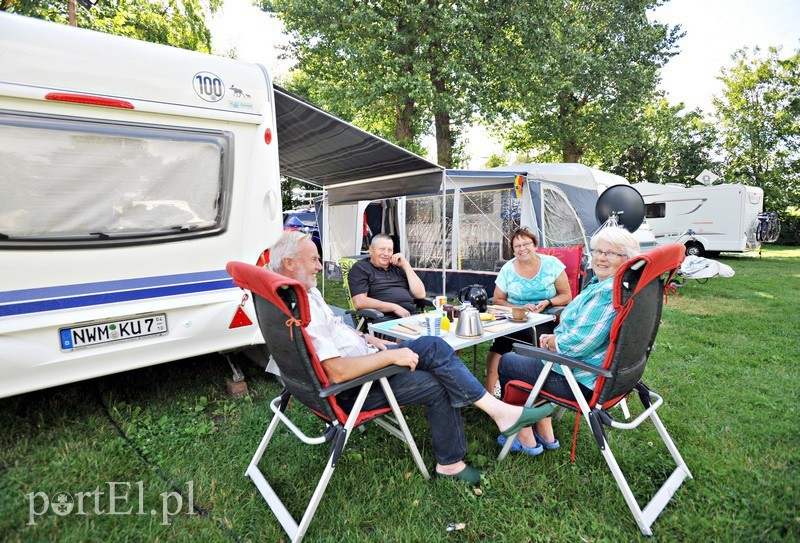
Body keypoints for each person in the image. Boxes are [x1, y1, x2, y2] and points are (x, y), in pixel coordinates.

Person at [270, 230, 553, 483]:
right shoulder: (301, 304)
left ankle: (500, 412)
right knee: (440, 380)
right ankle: (452, 463)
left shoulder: (297, 295)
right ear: (290, 263)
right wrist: (392, 357)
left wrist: (366, 338)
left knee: (433, 346)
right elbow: (337, 372)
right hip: (354, 387)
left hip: (364, 357)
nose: (320, 266)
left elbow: (334, 333)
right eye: (314, 260)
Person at [496, 227, 640, 456]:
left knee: (509, 362)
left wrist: (552, 342)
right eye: (598, 251)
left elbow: (577, 345)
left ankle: (523, 434)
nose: (601, 258)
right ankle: (544, 428)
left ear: (628, 259)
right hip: (608, 376)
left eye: (611, 253)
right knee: (521, 355)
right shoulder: (623, 288)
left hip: (582, 380)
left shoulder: (606, 292)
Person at [484, 227, 573, 394]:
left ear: (535, 245)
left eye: (526, 244)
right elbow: (498, 299)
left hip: (544, 318)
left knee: (531, 343)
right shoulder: (508, 269)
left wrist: (548, 302)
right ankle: (489, 393)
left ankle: (532, 390)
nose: (522, 249)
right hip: (515, 318)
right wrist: (518, 308)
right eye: (517, 246)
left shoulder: (552, 264)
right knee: (500, 344)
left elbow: (567, 296)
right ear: (513, 250)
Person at [348, 234, 426, 319]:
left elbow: (420, 294)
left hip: (411, 316)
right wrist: (394, 307)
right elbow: (359, 302)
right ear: (370, 250)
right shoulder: (361, 268)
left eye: (390, 250)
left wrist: (406, 265)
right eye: (382, 249)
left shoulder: (398, 268)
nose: (386, 254)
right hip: (386, 319)